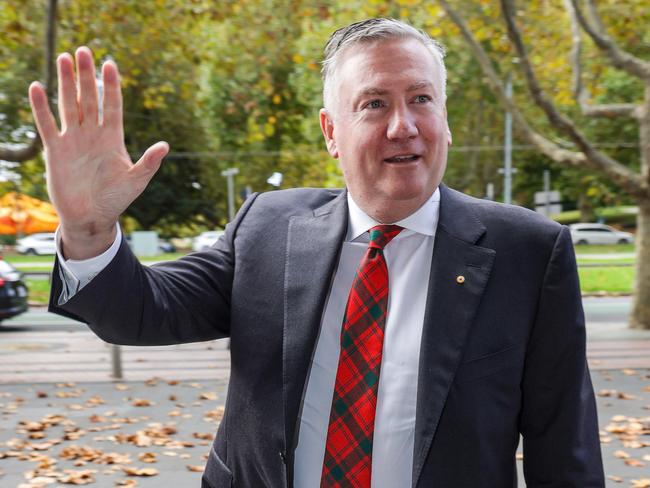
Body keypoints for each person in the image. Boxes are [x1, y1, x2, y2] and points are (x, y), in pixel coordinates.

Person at [29, 18, 604, 488]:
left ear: (445, 121)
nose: (403, 126)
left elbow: (566, 450)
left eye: (421, 99)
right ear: (331, 132)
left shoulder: (528, 252)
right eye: (374, 103)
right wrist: (87, 227)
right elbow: (142, 311)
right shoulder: (268, 227)